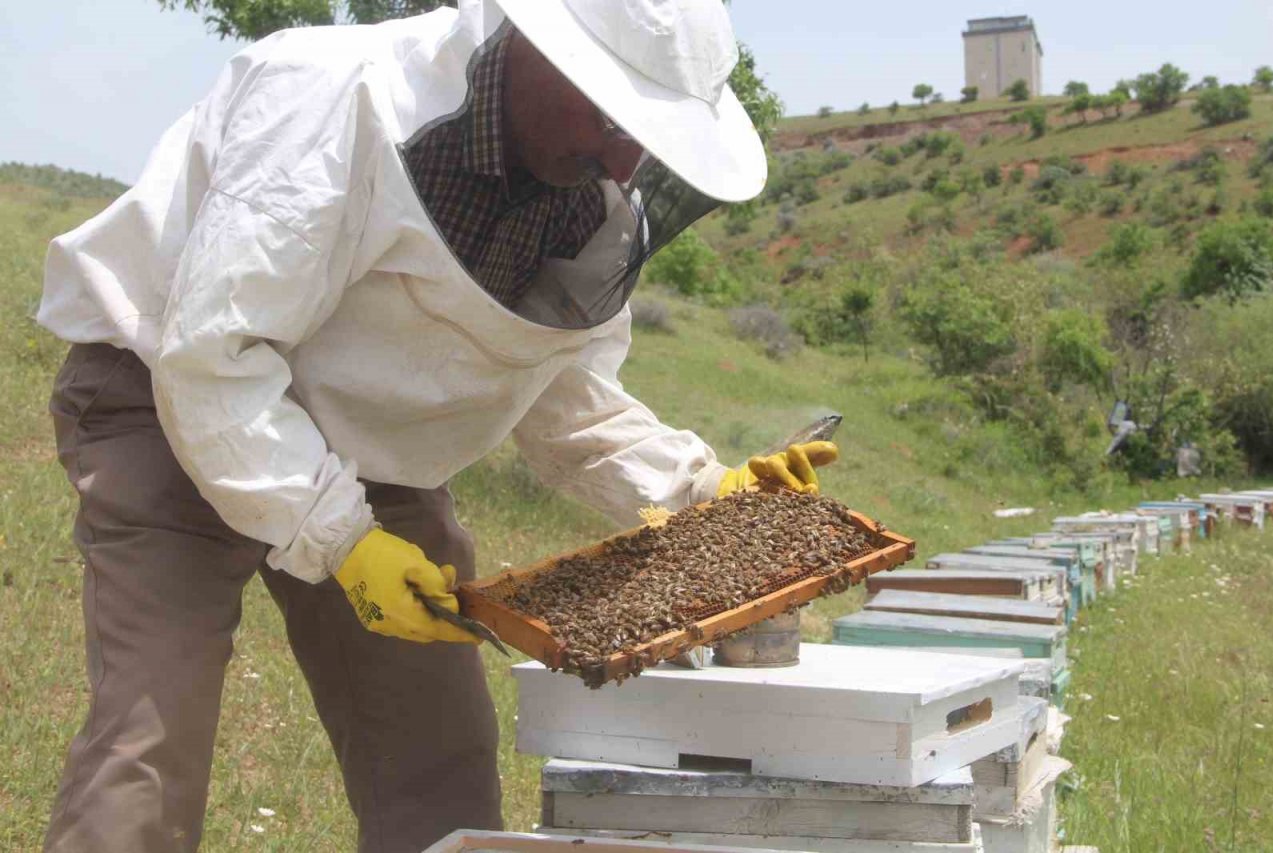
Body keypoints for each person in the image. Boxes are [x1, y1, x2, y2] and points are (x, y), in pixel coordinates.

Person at [35, 0, 838, 850]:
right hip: (167, 395)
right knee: (149, 744)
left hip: (374, 450)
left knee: (437, 760)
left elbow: (564, 394)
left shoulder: (587, 196)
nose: (623, 154)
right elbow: (212, 355)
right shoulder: (335, 98)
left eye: (648, 132)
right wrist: (338, 538)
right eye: (610, 114)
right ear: (532, 46)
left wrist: (701, 490)